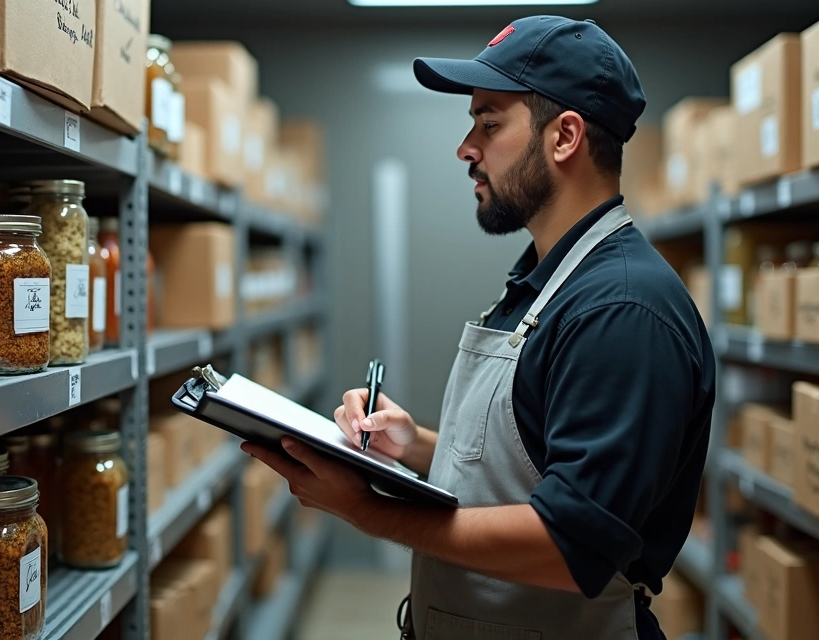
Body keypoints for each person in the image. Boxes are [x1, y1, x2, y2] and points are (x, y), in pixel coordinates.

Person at [241, 15, 715, 640]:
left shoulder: (620, 311)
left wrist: (370, 512)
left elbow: (569, 543)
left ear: (565, 136)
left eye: (489, 124)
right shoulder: (545, 280)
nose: (466, 147)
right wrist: (415, 449)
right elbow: (536, 471)